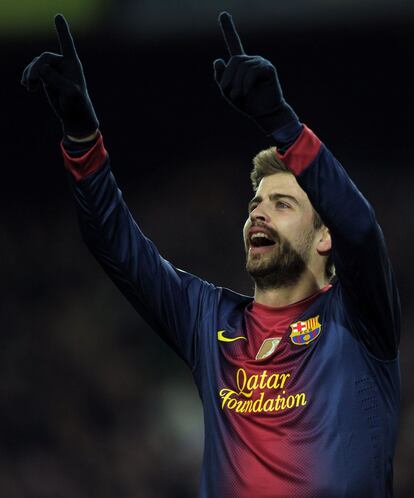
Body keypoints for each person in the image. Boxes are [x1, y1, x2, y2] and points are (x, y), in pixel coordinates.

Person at [21, 11, 401, 498]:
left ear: (324, 237)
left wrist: (283, 125)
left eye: (281, 204)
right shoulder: (208, 319)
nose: (258, 214)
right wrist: (81, 137)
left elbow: (362, 232)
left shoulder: (357, 319)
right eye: (254, 204)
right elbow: (117, 246)